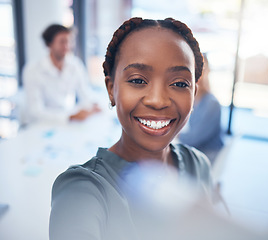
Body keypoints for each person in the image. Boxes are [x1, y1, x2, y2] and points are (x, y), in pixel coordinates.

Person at [49, 17, 216, 240]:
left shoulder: (199, 165)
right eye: (138, 80)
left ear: (194, 94)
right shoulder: (82, 191)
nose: (158, 100)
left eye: (179, 83)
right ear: (111, 89)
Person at [22, 24, 100, 124]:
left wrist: (93, 105)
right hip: (39, 125)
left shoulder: (75, 65)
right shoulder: (33, 70)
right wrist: (69, 117)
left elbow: (85, 93)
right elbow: (36, 111)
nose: (67, 46)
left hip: (65, 123)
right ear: (49, 44)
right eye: (62, 42)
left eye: (70, 41)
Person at [178, 53, 223, 164]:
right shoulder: (192, 99)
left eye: (201, 70)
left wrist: (171, 134)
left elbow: (193, 139)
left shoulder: (211, 104)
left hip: (206, 156)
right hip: (195, 152)